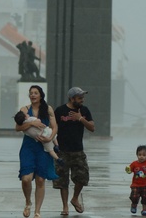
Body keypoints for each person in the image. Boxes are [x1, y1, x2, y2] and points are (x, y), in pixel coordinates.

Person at [15, 85, 58, 218]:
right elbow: (18, 127)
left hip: (43, 147)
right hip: (28, 147)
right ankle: (28, 202)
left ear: (41, 95)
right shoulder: (25, 109)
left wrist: (50, 138)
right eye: (31, 93)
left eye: (35, 93)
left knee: (40, 179)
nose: (33, 95)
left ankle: (37, 212)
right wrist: (32, 124)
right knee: (26, 178)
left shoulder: (48, 109)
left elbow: (55, 127)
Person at [53, 87, 95, 216]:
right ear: (72, 98)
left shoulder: (84, 110)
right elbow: (53, 128)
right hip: (62, 151)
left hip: (78, 150)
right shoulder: (60, 111)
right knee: (62, 181)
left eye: (83, 97)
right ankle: (65, 206)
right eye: (80, 97)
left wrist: (80, 118)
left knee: (82, 178)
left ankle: (75, 198)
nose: (82, 100)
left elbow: (92, 128)